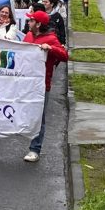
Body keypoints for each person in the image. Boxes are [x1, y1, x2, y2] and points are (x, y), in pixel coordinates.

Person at [23, 10, 68, 162]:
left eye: (31, 21)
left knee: (39, 117)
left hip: (42, 85)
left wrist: (51, 48)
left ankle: (35, 149)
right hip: (25, 82)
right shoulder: (28, 36)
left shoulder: (51, 38)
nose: (28, 23)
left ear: (38, 24)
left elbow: (64, 55)